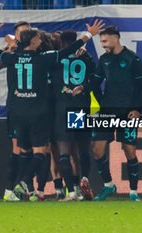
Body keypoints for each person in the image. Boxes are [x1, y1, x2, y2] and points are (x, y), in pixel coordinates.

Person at [0, 17, 105, 200]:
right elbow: (75, 57)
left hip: (27, 111)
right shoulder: (46, 57)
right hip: (53, 111)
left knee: (40, 151)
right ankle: (60, 185)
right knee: (62, 151)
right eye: (37, 37)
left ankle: (36, 189)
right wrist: (88, 35)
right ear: (33, 41)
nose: (41, 39)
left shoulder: (13, 56)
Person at [90, 26, 142, 201]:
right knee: (97, 150)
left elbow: (141, 87)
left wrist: (137, 109)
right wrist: (98, 101)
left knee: (129, 150)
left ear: (116, 39)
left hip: (127, 113)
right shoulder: (104, 59)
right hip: (107, 112)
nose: (103, 45)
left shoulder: (132, 59)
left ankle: (133, 191)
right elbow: (95, 83)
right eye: (101, 42)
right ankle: (108, 185)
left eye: (105, 41)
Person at [51, 30, 96, 201]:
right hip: (80, 108)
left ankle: (70, 192)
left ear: (62, 43)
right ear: (76, 41)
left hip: (62, 108)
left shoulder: (56, 58)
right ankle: (84, 181)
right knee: (82, 149)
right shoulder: (86, 57)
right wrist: (84, 87)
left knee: (64, 152)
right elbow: (95, 79)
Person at [0, 21, 32, 202]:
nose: (28, 34)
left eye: (29, 30)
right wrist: (9, 50)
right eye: (23, 32)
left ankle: (30, 189)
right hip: (17, 106)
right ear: (17, 35)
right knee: (18, 148)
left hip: (35, 106)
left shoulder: (36, 49)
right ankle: (9, 189)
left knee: (36, 148)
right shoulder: (12, 51)